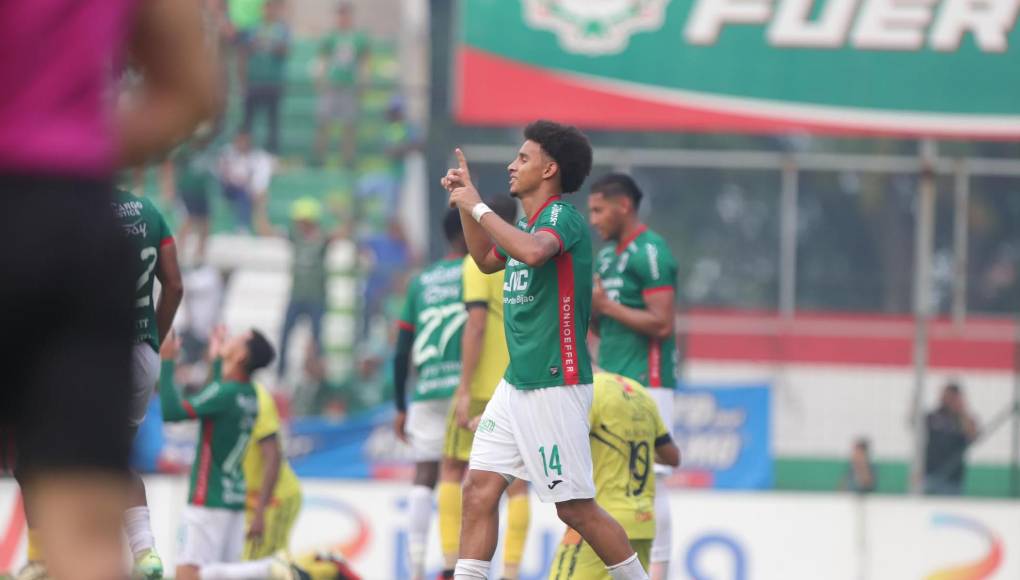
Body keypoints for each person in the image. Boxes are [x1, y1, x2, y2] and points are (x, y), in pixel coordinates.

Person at [0, 0, 218, 577]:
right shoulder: (144, 212)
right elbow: (193, 90)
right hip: (72, 216)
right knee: (88, 520)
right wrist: (64, 144)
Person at [443, 120, 649, 580]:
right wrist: (465, 200)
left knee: (575, 509)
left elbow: (535, 254)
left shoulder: (561, 217)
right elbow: (484, 259)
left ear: (549, 169)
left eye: (523, 158)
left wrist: (477, 207)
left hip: (555, 382)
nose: (511, 166)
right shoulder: (525, 224)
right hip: (518, 383)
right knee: (477, 489)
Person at [588, 173, 679, 580]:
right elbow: (600, 321)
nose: (592, 219)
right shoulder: (606, 258)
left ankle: (660, 570)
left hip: (650, 379)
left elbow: (662, 323)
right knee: (613, 478)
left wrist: (606, 308)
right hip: (612, 379)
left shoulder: (651, 251)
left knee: (653, 479)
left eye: (598, 209)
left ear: (623, 205)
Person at [437, 195, 531, 580]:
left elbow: (476, 325)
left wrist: (463, 387)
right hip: (518, 379)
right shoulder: (525, 256)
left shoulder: (480, 263)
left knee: (453, 469)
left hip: (481, 385)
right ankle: (510, 571)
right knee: (517, 482)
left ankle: (448, 564)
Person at [159, 328, 300, 580]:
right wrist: (216, 361)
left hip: (208, 501)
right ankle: (261, 570)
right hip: (234, 501)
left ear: (241, 356)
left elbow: (172, 413)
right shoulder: (249, 395)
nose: (232, 337)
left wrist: (167, 361)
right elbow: (215, 397)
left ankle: (267, 570)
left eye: (240, 339)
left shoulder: (227, 394)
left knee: (188, 575)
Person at [392, 209, 469, 580]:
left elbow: (401, 347)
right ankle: (459, 566)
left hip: (425, 391)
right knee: (471, 478)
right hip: (466, 390)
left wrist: (400, 405)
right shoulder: (478, 272)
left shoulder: (421, 281)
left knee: (425, 474)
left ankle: (416, 567)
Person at [549, 372, 680, 579]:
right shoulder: (641, 394)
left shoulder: (592, 390)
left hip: (598, 521)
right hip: (643, 523)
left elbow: (561, 435)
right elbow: (672, 457)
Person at [256, 197, 347, 382]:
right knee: (285, 335)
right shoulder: (294, 237)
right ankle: (281, 375)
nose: (298, 224)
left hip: (317, 298)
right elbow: (265, 231)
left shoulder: (322, 239)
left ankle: (317, 378)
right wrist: (261, 208)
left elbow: (344, 231)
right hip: (297, 297)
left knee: (317, 341)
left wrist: (340, 213)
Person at [242, 383, 303, 562]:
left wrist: (261, 511)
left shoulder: (256, 398)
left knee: (268, 565)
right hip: (251, 499)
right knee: (250, 565)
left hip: (275, 498)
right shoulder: (226, 393)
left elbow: (273, 456)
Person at [314, 1, 369, 167]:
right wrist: (320, 79)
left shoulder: (358, 38)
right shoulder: (330, 37)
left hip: (349, 85)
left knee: (349, 125)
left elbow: (364, 62)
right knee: (324, 122)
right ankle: (319, 158)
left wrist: (364, 81)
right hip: (332, 84)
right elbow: (323, 60)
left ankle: (348, 159)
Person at [240, 0, 290, 153]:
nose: (269, 10)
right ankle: (244, 151)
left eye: (271, 7)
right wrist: (243, 80)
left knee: (272, 121)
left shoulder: (282, 29)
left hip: (273, 82)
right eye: (266, 7)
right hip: (254, 81)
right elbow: (244, 53)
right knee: (248, 121)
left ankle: (272, 154)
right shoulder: (253, 29)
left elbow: (286, 51)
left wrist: (271, 44)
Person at [165, 135, 217, 264]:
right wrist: (169, 187)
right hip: (185, 191)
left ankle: (199, 257)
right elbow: (169, 166)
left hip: (201, 191)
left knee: (206, 224)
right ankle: (179, 256)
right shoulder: (185, 151)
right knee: (186, 222)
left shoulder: (209, 150)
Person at [924, 382, 979, 496]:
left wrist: (961, 411)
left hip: (953, 478)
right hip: (930, 474)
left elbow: (973, 436)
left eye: (949, 396)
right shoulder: (933, 416)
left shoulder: (964, 419)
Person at [219, 131, 275, 232]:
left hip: (243, 187)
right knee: (243, 193)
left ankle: (247, 225)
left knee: (250, 193)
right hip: (227, 186)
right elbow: (224, 172)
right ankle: (242, 225)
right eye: (241, 141)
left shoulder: (252, 156)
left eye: (245, 142)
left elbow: (251, 175)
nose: (243, 144)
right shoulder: (228, 152)